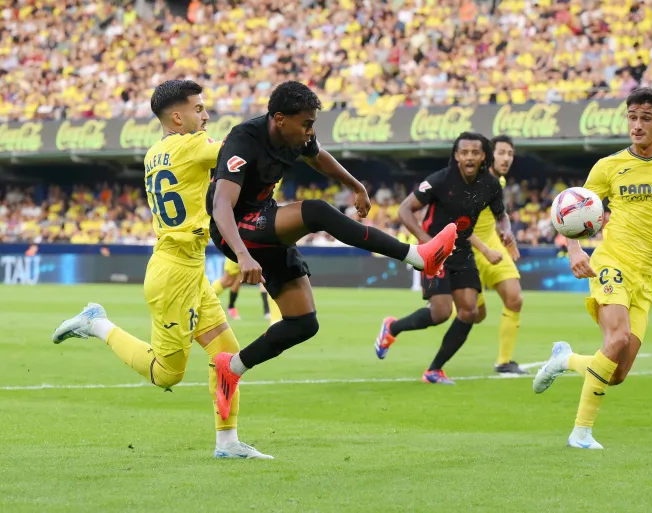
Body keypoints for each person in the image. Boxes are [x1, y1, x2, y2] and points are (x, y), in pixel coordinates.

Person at [206, 81, 458, 421]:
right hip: (234, 229)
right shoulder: (244, 139)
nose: (311, 131)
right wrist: (242, 254)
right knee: (316, 211)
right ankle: (418, 256)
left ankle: (232, 368)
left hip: (264, 226)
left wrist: (356, 185)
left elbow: (318, 157)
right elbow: (221, 206)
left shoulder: (297, 137)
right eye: (306, 124)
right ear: (279, 119)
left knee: (303, 323)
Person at [51, 80, 271, 459]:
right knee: (167, 374)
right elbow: (238, 152)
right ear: (177, 117)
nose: (206, 116)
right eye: (199, 109)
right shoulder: (192, 145)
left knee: (226, 351)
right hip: (174, 275)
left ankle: (227, 443)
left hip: (187, 267)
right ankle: (96, 324)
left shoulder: (155, 152)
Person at [532, 87, 652, 449]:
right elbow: (571, 210)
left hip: (648, 277)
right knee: (616, 340)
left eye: (646, 118)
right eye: (632, 117)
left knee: (616, 373)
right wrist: (574, 249)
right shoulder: (608, 166)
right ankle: (581, 433)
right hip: (612, 263)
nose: (637, 125)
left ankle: (566, 360)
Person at [373, 132, 514, 384]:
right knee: (440, 313)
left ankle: (434, 370)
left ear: (484, 156)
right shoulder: (440, 180)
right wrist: (427, 242)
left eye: (475, 153)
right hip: (434, 252)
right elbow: (405, 209)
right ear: (456, 155)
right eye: (464, 152)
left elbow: (500, 214)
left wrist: (506, 230)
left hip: (462, 251)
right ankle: (392, 327)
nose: (469, 157)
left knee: (469, 312)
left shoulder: (490, 185)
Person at [467, 135, 527, 375]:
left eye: (510, 154)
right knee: (475, 315)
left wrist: (507, 234)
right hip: (469, 250)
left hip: (493, 245)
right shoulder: (471, 180)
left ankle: (504, 362)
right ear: (488, 155)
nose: (506, 158)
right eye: (501, 153)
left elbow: (501, 214)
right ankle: (444, 300)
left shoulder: (499, 181)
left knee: (515, 298)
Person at [211, 180, 285, 322]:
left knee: (271, 273)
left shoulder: (267, 177)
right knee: (229, 280)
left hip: (258, 229)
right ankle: (200, 304)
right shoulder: (248, 179)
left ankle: (275, 320)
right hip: (241, 234)